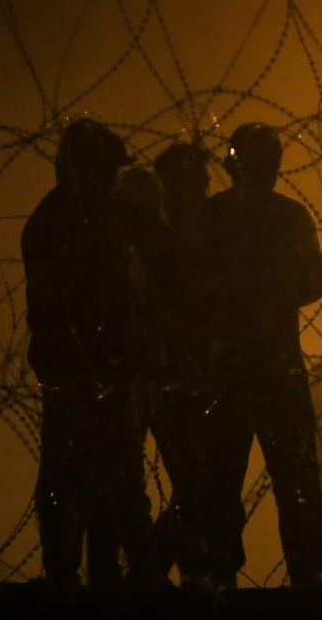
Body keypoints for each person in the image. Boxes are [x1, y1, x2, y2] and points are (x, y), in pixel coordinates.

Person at [22, 119, 158, 586]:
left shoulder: (92, 217)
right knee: (88, 475)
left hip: (98, 370)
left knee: (103, 476)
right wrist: (103, 363)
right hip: (86, 373)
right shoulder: (63, 222)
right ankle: (83, 573)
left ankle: (103, 571)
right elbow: (62, 305)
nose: (111, 179)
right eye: (104, 169)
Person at [198, 122, 322, 590]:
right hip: (267, 364)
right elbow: (315, 283)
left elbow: (190, 285)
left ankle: (225, 572)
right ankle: (301, 575)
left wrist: (250, 292)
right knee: (286, 477)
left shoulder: (215, 215)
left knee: (227, 478)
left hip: (237, 365)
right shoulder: (287, 216)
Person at [147, 142, 213, 588]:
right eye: (199, 183)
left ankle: (174, 567)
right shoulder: (159, 240)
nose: (206, 191)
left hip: (195, 374)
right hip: (169, 376)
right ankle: (157, 566)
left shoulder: (199, 234)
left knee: (198, 482)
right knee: (195, 483)